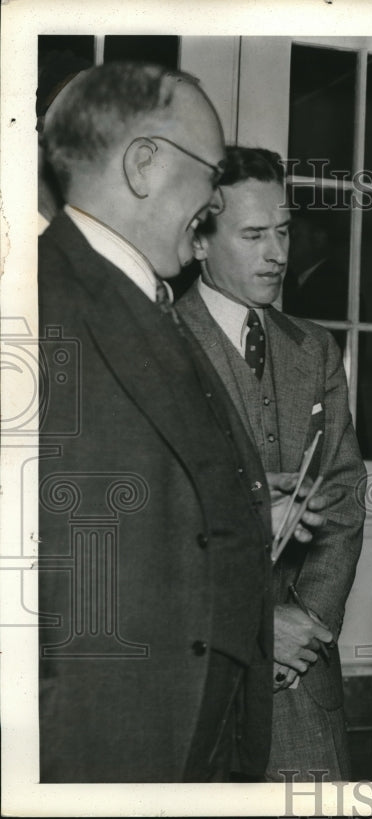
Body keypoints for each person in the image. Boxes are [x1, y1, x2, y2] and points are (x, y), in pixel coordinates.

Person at [38, 62, 275, 781]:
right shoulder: (37, 301)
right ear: (144, 164)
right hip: (104, 747)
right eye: (212, 171)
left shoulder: (139, 295)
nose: (215, 198)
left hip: (191, 734)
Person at [176, 146, 367, 781]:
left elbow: (342, 495)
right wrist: (259, 628)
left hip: (300, 675)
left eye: (283, 232)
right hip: (194, 667)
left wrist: (308, 623)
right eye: (254, 234)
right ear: (200, 242)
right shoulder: (161, 342)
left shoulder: (312, 348)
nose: (278, 253)